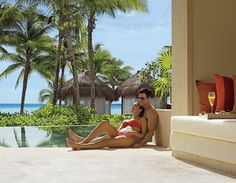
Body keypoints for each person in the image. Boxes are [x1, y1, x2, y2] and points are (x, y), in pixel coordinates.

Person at [66, 102, 147, 150]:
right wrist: (114, 129)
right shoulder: (126, 120)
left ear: (140, 110)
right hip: (119, 133)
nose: (133, 106)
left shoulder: (141, 120)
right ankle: (82, 140)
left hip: (129, 138)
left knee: (105, 142)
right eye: (133, 105)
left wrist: (134, 133)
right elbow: (119, 131)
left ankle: (79, 145)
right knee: (104, 123)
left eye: (136, 106)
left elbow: (143, 135)